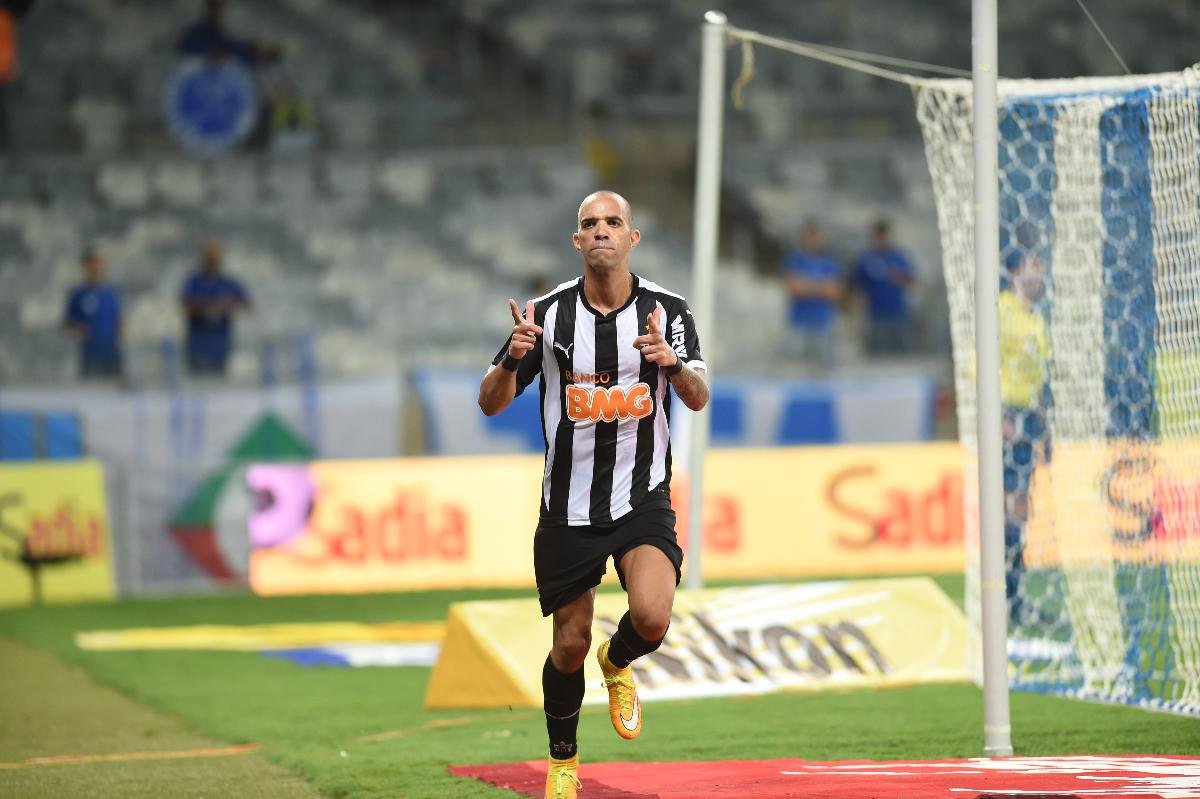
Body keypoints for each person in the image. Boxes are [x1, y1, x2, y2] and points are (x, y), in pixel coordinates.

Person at [478, 191, 710, 799]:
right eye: (589, 224)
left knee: (654, 617)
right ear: (576, 242)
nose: (601, 231)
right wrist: (510, 357)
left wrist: (673, 363)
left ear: (633, 238)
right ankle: (563, 762)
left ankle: (619, 660)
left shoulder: (668, 311)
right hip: (568, 505)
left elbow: (698, 395)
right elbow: (490, 402)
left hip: (642, 497)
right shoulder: (547, 317)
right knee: (568, 643)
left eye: (613, 223)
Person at [999, 252, 1051, 630]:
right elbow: (978, 364)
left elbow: (1040, 376)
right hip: (1003, 415)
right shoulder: (1000, 311)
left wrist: (1044, 427)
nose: (1042, 274)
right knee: (1006, 509)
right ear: (1017, 271)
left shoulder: (1036, 318)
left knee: (1022, 509)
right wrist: (997, 415)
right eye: (1035, 266)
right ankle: (1003, 599)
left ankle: (1015, 599)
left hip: (1029, 417)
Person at [180, 239, 250, 377]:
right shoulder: (194, 282)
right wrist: (210, 306)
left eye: (215, 258)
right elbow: (186, 304)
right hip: (198, 347)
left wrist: (228, 305)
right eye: (209, 258)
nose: (212, 261)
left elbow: (246, 304)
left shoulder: (227, 282)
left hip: (221, 348)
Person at [780, 220, 842, 369]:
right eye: (810, 237)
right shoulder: (795, 259)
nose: (813, 240)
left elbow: (833, 291)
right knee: (797, 366)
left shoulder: (829, 262)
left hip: (823, 321)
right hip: (799, 321)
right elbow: (793, 288)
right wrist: (820, 287)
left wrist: (807, 285)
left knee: (823, 367)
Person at [853, 219, 917, 356]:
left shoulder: (898, 257)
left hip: (898, 313)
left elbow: (912, 279)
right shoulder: (867, 259)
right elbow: (860, 290)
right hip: (875, 316)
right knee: (877, 355)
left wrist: (896, 276)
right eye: (878, 236)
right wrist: (859, 320)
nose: (881, 240)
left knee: (901, 355)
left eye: (884, 236)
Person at [62, 248, 123, 380]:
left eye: (99, 263)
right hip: (90, 355)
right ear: (85, 266)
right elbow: (66, 326)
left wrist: (121, 330)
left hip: (112, 354)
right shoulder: (78, 294)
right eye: (92, 263)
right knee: (92, 393)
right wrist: (79, 330)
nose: (96, 267)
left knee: (115, 394)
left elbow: (118, 322)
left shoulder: (110, 294)